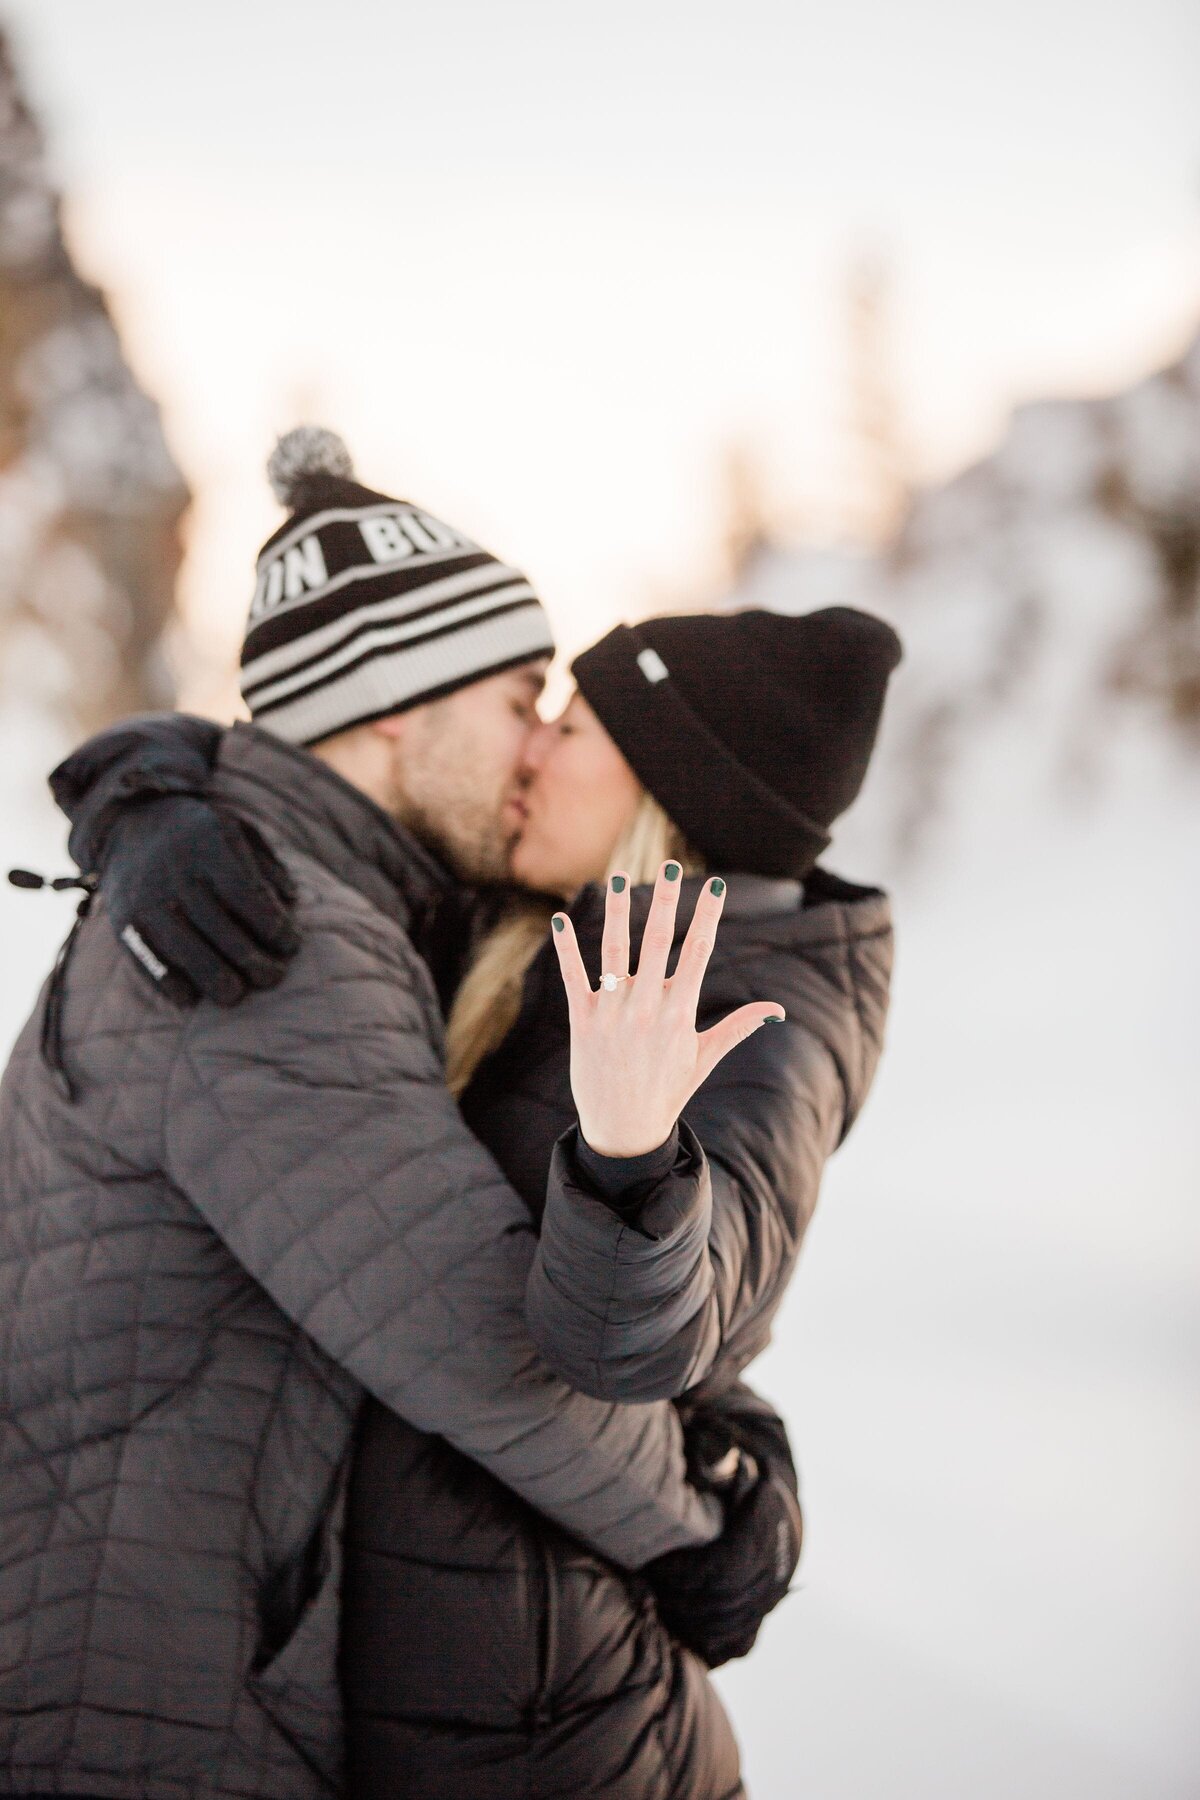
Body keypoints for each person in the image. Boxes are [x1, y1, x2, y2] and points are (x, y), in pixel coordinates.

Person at [0, 431, 801, 1800]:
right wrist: (705, 1523)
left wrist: (144, 781)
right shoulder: (271, 945)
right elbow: (486, 1339)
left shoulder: (300, 892)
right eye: (516, 698)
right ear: (389, 710)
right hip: (138, 1706)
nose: (539, 745)